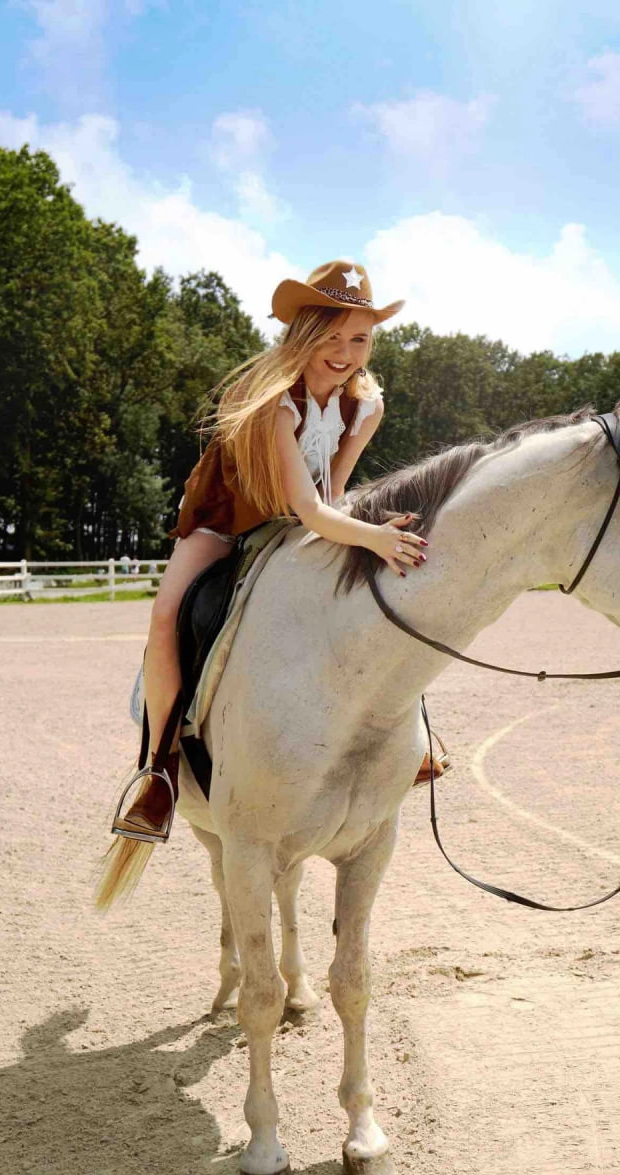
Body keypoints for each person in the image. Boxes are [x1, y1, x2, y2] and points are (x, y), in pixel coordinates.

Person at [112, 259, 447, 846]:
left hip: (299, 521)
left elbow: (332, 493)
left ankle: (409, 738)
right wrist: (371, 535)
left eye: (359, 339)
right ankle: (158, 769)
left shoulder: (366, 405)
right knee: (166, 616)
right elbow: (311, 507)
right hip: (225, 522)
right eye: (332, 336)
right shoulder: (273, 402)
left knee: (382, 591)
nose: (344, 352)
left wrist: (370, 533)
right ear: (304, 334)